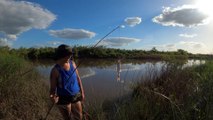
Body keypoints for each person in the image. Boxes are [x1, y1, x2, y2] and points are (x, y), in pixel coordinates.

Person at [49, 44, 85, 120]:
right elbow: (52, 89)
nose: (70, 57)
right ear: (61, 55)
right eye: (67, 55)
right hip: (63, 98)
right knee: (68, 118)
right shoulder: (55, 70)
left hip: (76, 95)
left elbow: (78, 78)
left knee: (79, 117)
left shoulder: (73, 63)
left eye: (70, 55)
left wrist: (82, 92)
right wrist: (52, 97)